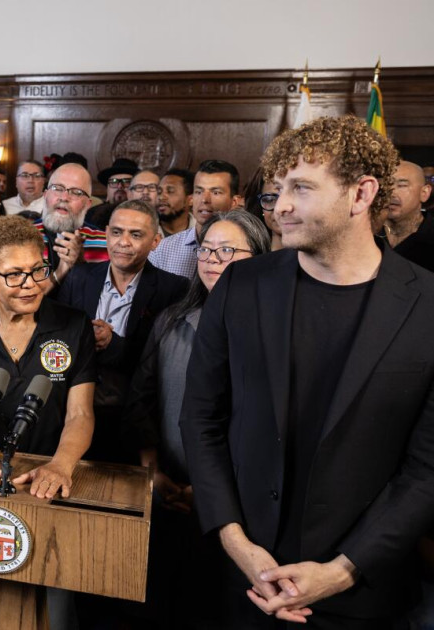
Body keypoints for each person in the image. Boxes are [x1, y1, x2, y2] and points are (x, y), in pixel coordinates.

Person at [180, 115, 434, 629]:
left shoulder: (428, 304)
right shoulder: (241, 287)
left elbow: (426, 469)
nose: (281, 207)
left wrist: (342, 571)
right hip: (244, 580)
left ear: (361, 194)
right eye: (277, 191)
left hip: (364, 595)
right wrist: (237, 543)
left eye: (301, 188)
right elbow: (201, 421)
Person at [0, 216, 95, 627]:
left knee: (58, 612)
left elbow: (80, 413)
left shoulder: (72, 324)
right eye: (14, 275)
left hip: (51, 482)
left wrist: (61, 465)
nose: (30, 283)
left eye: (37, 270)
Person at [122, 210, 270, 629]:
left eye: (227, 250)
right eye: (206, 249)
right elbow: (142, 399)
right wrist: (152, 473)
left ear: (258, 256)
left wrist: (209, 494)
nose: (212, 259)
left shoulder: (274, 331)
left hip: (241, 511)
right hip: (168, 494)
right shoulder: (172, 320)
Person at [55, 199, 188, 464]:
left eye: (135, 234)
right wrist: (82, 339)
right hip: (70, 413)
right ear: (106, 233)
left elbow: (166, 363)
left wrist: (113, 343)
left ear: (155, 241)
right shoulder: (79, 277)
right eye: (116, 232)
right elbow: (56, 340)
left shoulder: (173, 289)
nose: (123, 242)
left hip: (134, 422)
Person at [149, 159, 242, 279]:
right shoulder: (162, 250)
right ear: (191, 198)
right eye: (199, 191)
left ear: (234, 201)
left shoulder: (244, 251)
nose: (205, 199)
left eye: (216, 192)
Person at [33, 162, 108, 292]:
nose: (64, 197)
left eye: (77, 192)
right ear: (45, 195)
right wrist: (61, 271)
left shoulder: (106, 244)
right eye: (57, 188)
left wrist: (80, 265)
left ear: (88, 204)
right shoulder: (19, 237)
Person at [384, 160, 434, 271]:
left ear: (424, 193)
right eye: (386, 184)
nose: (391, 192)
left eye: (402, 185)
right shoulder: (366, 234)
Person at [156, 168, 195, 237]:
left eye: (170, 191)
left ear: (191, 200)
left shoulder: (202, 232)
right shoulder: (146, 228)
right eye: (159, 192)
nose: (161, 197)